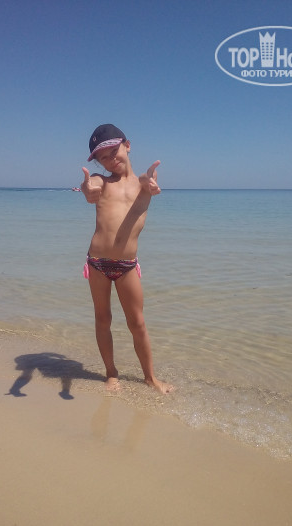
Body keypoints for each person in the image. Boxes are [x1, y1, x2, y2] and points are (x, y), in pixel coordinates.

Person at [81, 124, 174, 394]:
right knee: (103, 319)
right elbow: (90, 185)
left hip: (127, 266)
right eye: (103, 157)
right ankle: (111, 373)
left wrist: (151, 181)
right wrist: (87, 189)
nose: (111, 160)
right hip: (97, 263)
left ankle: (150, 377)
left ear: (128, 145)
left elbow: (147, 179)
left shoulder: (143, 184)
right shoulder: (101, 181)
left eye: (114, 151)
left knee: (138, 323)